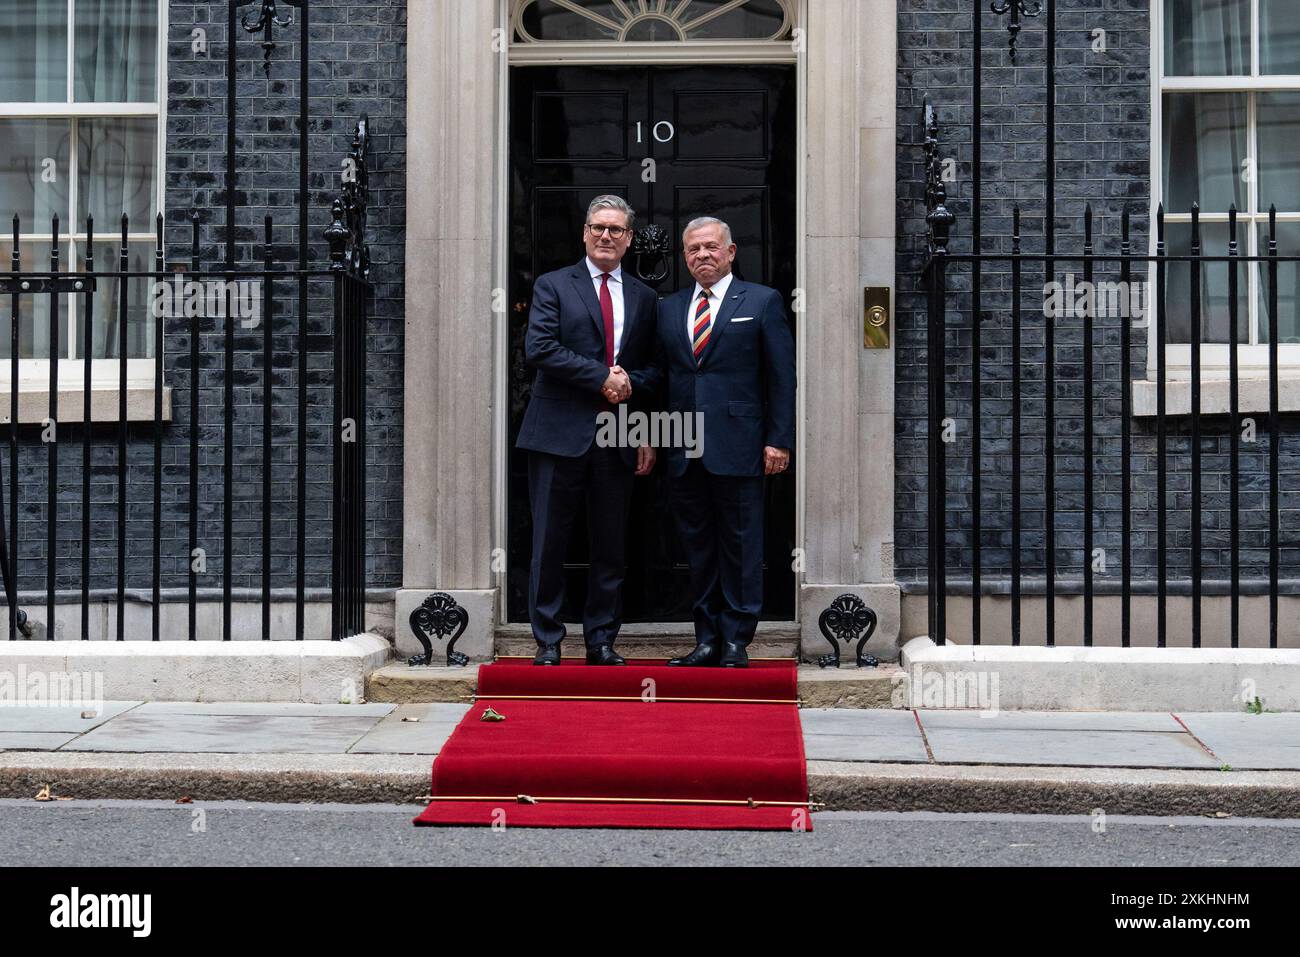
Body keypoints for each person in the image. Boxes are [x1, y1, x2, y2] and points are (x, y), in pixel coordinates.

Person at [630, 217, 795, 668]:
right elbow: (660, 378)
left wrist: (778, 440)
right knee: (697, 547)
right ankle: (705, 638)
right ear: (684, 256)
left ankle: (737, 639)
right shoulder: (669, 307)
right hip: (683, 446)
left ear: (731, 251)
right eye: (693, 249)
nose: (702, 255)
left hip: (741, 444)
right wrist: (646, 434)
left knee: (741, 545)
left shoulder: (762, 301)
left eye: (710, 247)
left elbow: (782, 378)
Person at [516, 196, 658, 666]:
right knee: (550, 542)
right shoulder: (554, 285)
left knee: (610, 545)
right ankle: (549, 639)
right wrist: (601, 376)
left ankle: (601, 639)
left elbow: (655, 369)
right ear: (584, 233)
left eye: (616, 230)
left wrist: (639, 414)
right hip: (558, 432)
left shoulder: (644, 296)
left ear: (629, 239)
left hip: (618, 436)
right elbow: (540, 347)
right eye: (598, 227)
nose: (606, 236)